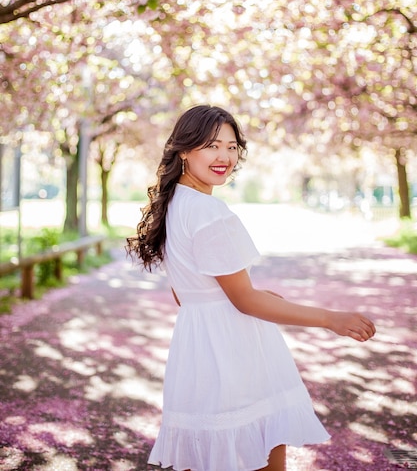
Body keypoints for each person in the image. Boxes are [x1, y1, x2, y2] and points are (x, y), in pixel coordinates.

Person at [126, 104, 376, 471]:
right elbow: (243, 300)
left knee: (214, 453)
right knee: (259, 453)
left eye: (231, 146)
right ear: (184, 149)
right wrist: (330, 319)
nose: (223, 156)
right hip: (234, 351)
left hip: (196, 350)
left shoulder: (176, 205)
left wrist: (251, 295)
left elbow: (187, 292)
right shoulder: (212, 214)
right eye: (212, 145)